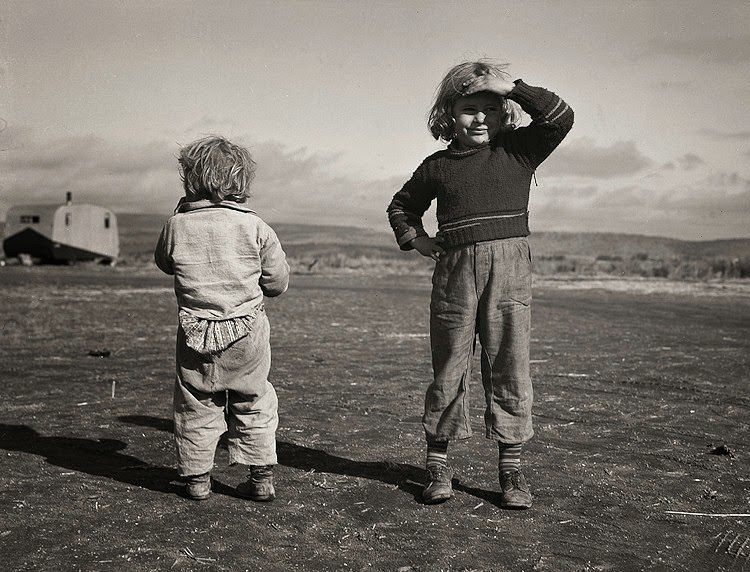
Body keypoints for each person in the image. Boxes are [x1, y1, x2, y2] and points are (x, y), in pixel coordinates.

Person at [386, 61, 573, 509]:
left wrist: (511, 86)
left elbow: (560, 116)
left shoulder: (519, 151)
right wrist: (417, 240)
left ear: (505, 111)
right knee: (450, 365)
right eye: (470, 108)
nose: (481, 118)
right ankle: (438, 466)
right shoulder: (437, 166)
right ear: (449, 113)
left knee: (509, 365)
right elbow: (401, 206)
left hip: (509, 272)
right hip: (454, 274)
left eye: (492, 107)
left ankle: (511, 472)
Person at [155, 136, 289, 502]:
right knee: (255, 397)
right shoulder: (256, 227)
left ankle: (197, 479)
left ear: (191, 180)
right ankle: (261, 476)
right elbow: (278, 282)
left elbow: (164, 263)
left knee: (196, 402)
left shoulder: (176, 226)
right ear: (241, 183)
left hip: (195, 330)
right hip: (246, 332)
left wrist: (182, 213)